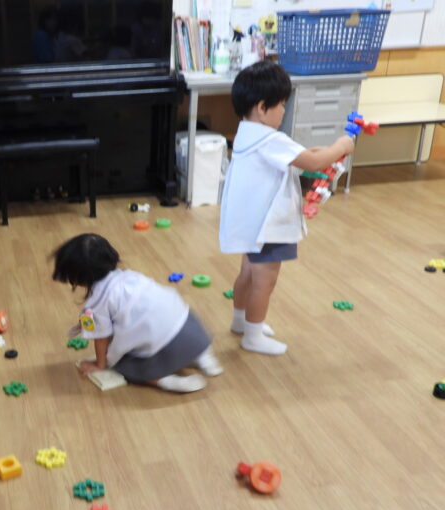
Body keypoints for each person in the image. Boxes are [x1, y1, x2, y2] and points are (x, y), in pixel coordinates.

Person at [219, 60, 355, 355]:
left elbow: (301, 155)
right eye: (281, 104)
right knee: (265, 280)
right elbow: (312, 162)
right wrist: (341, 146)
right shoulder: (270, 138)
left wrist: (324, 152)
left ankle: (241, 321)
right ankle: (253, 336)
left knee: (247, 274)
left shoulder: (246, 133)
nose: (283, 110)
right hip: (267, 225)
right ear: (261, 107)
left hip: (251, 222)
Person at [52, 233, 222, 393]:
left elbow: (101, 337)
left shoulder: (97, 303)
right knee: (171, 321)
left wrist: (100, 364)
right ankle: (203, 357)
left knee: (126, 366)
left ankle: (166, 381)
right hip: (190, 330)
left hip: (162, 342)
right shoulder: (132, 277)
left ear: (77, 277)